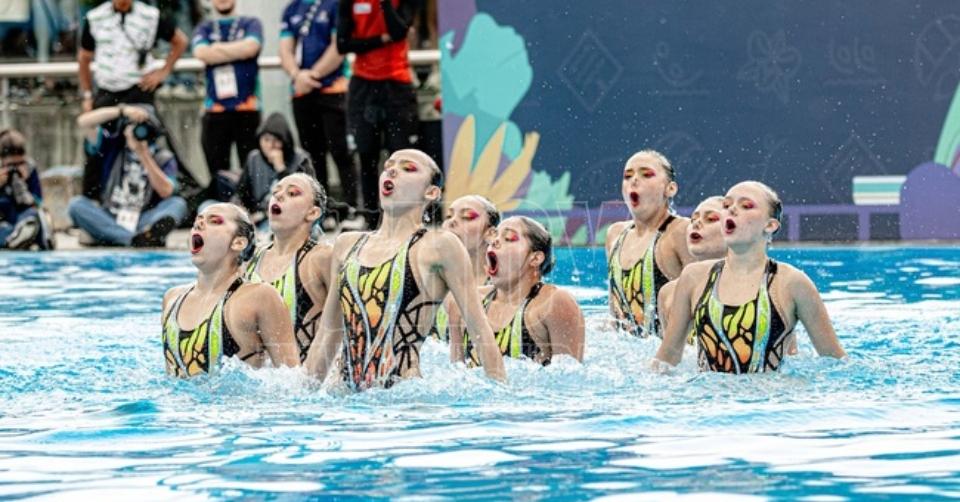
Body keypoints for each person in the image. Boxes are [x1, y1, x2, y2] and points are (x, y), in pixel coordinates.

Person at [304, 149, 507, 390]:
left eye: (408, 168)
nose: (392, 171)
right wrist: (304, 396)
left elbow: (479, 330)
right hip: (344, 397)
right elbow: (328, 333)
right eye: (388, 166)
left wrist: (501, 398)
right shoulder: (346, 244)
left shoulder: (439, 246)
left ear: (431, 192)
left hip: (404, 399)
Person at [653, 181, 847, 374]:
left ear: (770, 225)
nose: (732, 210)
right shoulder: (694, 277)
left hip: (772, 393)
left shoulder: (791, 283)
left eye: (746, 206)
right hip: (707, 393)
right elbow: (667, 358)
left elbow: (837, 364)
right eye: (727, 205)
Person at [162, 203, 299, 377]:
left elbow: (293, 379)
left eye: (215, 221)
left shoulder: (259, 297)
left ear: (238, 242)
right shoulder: (172, 298)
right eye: (198, 220)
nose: (199, 224)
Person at [448, 216, 585, 366]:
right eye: (495, 236)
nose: (494, 241)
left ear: (535, 258)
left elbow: (570, 375)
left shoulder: (553, 303)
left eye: (508, 238)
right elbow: (456, 371)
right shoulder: (463, 303)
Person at [337, 0, 422, 228]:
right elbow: (343, 44)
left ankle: (405, 218)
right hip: (363, 85)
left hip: (397, 84)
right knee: (367, 155)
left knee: (401, 156)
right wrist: (380, 39)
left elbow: (398, 31)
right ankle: (371, 218)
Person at [280, 0, 357, 225]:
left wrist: (312, 75)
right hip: (301, 93)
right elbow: (285, 49)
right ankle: (321, 211)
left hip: (333, 90)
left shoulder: (336, 5)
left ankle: (352, 209)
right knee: (312, 155)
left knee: (341, 151)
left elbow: (338, 46)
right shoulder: (292, 8)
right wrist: (296, 75)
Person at [70, 104, 188, 247]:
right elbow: (83, 122)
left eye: (143, 125)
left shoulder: (163, 157)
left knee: (178, 204)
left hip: (143, 218)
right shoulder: (112, 147)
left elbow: (166, 191)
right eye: (133, 125)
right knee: (76, 205)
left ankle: (122, 237)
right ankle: (135, 239)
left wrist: (143, 155)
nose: (138, 130)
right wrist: (122, 111)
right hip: (110, 216)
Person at [244, 173, 333, 363]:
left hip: (303, 376)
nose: (278, 196)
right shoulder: (250, 261)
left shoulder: (321, 258)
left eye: (292, 193)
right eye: (275, 192)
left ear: (312, 213)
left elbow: (346, 322)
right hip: (259, 378)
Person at [605, 150, 694, 338]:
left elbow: (701, 305)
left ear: (670, 189)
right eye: (627, 176)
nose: (634, 180)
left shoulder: (680, 232)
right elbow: (615, 316)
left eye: (646, 174)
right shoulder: (615, 235)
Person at [192, 0, 263, 203]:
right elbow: (201, 53)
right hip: (215, 110)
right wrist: (236, 50)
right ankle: (221, 211)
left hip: (246, 108)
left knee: (251, 170)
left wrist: (216, 49)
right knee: (217, 172)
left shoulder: (251, 22)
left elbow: (251, 48)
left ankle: (251, 209)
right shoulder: (205, 26)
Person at [78, 0, 188, 112]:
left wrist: (163, 72)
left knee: (141, 120)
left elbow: (180, 42)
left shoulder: (150, 15)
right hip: (107, 91)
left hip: (140, 89)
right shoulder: (95, 17)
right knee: (90, 119)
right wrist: (87, 95)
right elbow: (84, 58)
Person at [430, 194, 500, 341]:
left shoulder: (506, 290)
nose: (452, 222)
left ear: (490, 234)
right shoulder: (427, 284)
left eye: (467, 217)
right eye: (448, 216)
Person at [657, 196, 727, 335]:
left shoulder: (764, 285)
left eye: (711, 219)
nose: (696, 223)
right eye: (693, 219)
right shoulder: (669, 294)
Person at [235, 112, 316, 226]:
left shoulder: (301, 159)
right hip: (258, 216)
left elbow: (302, 198)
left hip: (290, 218)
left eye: (276, 140)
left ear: (285, 142)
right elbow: (241, 193)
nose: (270, 146)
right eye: (266, 140)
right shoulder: (254, 158)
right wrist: (241, 210)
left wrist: (281, 169)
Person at [0, 129, 52, 250]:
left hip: (22, 217)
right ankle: (16, 238)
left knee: (34, 216)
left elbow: (38, 202)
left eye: (19, 164)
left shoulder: (30, 168)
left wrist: (25, 182)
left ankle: (17, 238)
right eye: (11, 165)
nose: (14, 169)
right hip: (4, 220)